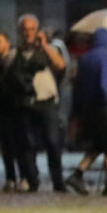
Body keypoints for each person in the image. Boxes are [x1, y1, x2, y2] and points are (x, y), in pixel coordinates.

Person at [10, 14, 67, 192]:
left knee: (52, 142)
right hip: (26, 103)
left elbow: (61, 65)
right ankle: (32, 180)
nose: (28, 33)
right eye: (25, 29)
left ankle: (58, 181)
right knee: (28, 144)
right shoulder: (16, 53)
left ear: (37, 30)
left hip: (47, 102)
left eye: (32, 29)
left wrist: (44, 45)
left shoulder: (47, 50)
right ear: (20, 32)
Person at [65, 27, 107, 196]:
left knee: (98, 144)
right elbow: (106, 85)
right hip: (104, 107)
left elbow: (78, 86)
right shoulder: (105, 59)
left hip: (89, 108)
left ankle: (79, 174)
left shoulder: (84, 59)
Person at [0, 31, 22, 191]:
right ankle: (10, 177)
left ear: (7, 43)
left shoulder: (14, 60)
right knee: (6, 146)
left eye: (0, 42)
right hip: (0, 109)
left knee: (18, 144)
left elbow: (12, 85)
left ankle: (24, 177)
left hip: (14, 108)